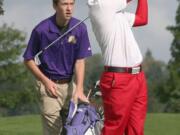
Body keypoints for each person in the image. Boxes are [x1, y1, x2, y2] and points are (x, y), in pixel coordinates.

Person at [23, 0, 92, 134]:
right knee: (55, 131)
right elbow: (28, 60)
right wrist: (45, 81)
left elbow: (80, 61)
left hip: (70, 86)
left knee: (74, 130)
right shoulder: (41, 30)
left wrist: (79, 89)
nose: (69, 8)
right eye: (64, 4)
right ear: (55, 6)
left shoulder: (80, 27)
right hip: (48, 88)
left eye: (72, 4)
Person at [88, 0, 148, 135]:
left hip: (137, 76)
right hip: (118, 79)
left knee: (136, 130)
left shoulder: (117, 14)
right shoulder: (99, 5)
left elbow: (142, 19)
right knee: (114, 130)